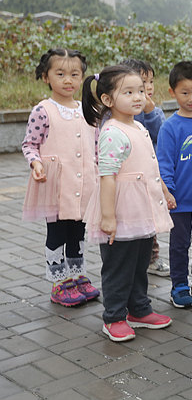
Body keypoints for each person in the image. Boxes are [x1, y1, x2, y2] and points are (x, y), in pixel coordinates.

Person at [82, 65, 175, 342]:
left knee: (139, 262)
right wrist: (108, 217)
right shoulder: (112, 132)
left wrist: (165, 191)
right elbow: (107, 177)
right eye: (129, 92)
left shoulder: (137, 126)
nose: (139, 97)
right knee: (119, 266)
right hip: (121, 212)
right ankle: (113, 317)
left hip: (142, 209)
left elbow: (151, 166)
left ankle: (139, 309)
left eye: (142, 91)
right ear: (108, 100)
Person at [21, 48, 100, 307]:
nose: (69, 80)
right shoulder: (43, 110)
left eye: (75, 74)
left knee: (78, 231)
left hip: (84, 182)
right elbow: (30, 144)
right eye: (61, 73)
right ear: (46, 77)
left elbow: (97, 144)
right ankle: (59, 282)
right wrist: (35, 163)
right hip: (55, 185)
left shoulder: (88, 109)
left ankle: (77, 275)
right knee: (57, 233)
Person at [155, 61, 192, 309]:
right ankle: (179, 285)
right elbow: (164, 163)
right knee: (179, 246)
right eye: (185, 92)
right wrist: (168, 193)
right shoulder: (170, 127)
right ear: (172, 93)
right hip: (180, 202)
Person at [120, 58, 170, 278]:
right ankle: (134, 258)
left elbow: (162, 133)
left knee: (150, 216)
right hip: (128, 177)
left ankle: (151, 258)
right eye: (142, 82)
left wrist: (150, 111)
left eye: (150, 82)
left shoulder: (153, 111)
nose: (148, 87)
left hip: (150, 174)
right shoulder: (119, 112)